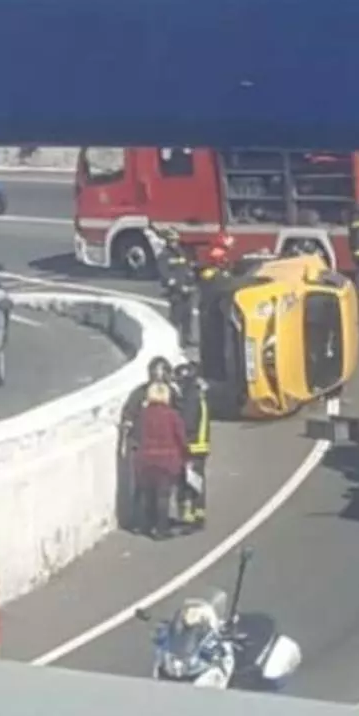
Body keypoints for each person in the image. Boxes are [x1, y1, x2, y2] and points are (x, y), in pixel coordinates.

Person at [132, 380, 188, 539]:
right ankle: (161, 529)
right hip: (167, 461)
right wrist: (185, 453)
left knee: (148, 494)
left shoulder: (142, 415)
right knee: (162, 496)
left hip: (145, 460)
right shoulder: (172, 415)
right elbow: (180, 437)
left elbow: (136, 436)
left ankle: (148, 525)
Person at [173, 360, 211, 529]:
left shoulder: (189, 397)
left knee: (187, 482)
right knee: (197, 480)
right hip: (201, 445)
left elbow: (188, 423)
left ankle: (190, 518)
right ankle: (199, 513)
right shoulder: (199, 394)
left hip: (191, 445)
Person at [157, 228, 196, 347]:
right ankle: (170, 340)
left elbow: (186, 268)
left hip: (187, 288)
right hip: (176, 292)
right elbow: (165, 275)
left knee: (187, 315)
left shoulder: (181, 252)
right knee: (176, 317)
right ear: (167, 241)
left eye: (176, 241)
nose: (175, 243)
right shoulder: (164, 256)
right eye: (172, 241)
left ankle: (187, 338)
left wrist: (191, 282)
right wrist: (179, 288)